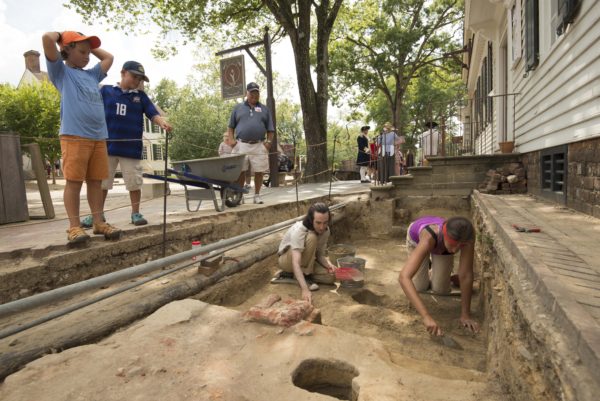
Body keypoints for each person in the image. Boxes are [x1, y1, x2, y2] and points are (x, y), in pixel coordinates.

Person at [42, 30, 121, 244]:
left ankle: (98, 222)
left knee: (96, 182)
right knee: (74, 182)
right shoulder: (60, 72)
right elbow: (47, 39)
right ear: (66, 51)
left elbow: (109, 58)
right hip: (74, 136)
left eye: (89, 52)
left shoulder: (92, 75)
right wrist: (63, 38)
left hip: (98, 137)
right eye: (82, 52)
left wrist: (86, 43)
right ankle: (74, 227)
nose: (87, 56)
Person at [80, 61, 172, 228]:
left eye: (140, 79)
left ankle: (135, 213)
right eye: (134, 77)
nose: (137, 81)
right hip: (106, 146)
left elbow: (152, 113)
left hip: (131, 148)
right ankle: (97, 215)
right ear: (123, 73)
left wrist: (161, 123)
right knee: (102, 183)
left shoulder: (141, 97)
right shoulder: (106, 91)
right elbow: (90, 108)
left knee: (133, 181)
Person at [398, 216, 480, 337]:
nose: (456, 250)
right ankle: (428, 265)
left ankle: (440, 273)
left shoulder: (466, 237)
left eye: (460, 246)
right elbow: (404, 277)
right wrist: (426, 317)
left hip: (442, 246)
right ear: (446, 235)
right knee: (419, 286)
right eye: (454, 244)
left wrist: (465, 315)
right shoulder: (429, 236)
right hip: (418, 241)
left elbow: (466, 274)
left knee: (440, 289)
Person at [274, 202, 337, 304]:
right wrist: (304, 289)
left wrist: (328, 265)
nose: (322, 227)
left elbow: (319, 255)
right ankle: (302, 277)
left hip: (307, 261)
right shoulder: (300, 230)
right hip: (287, 261)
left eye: (325, 222)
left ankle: (293, 276)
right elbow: (296, 262)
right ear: (311, 220)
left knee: (331, 277)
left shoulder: (326, 231)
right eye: (318, 223)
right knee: (312, 237)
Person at [227, 82, 274, 204]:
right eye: (252, 92)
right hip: (241, 144)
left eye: (256, 93)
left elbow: (270, 129)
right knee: (240, 171)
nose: (254, 95)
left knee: (260, 171)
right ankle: (240, 195)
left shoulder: (264, 109)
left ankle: (257, 195)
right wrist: (232, 141)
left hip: (259, 145)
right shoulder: (238, 108)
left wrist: (268, 143)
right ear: (246, 93)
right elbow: (230, 127)